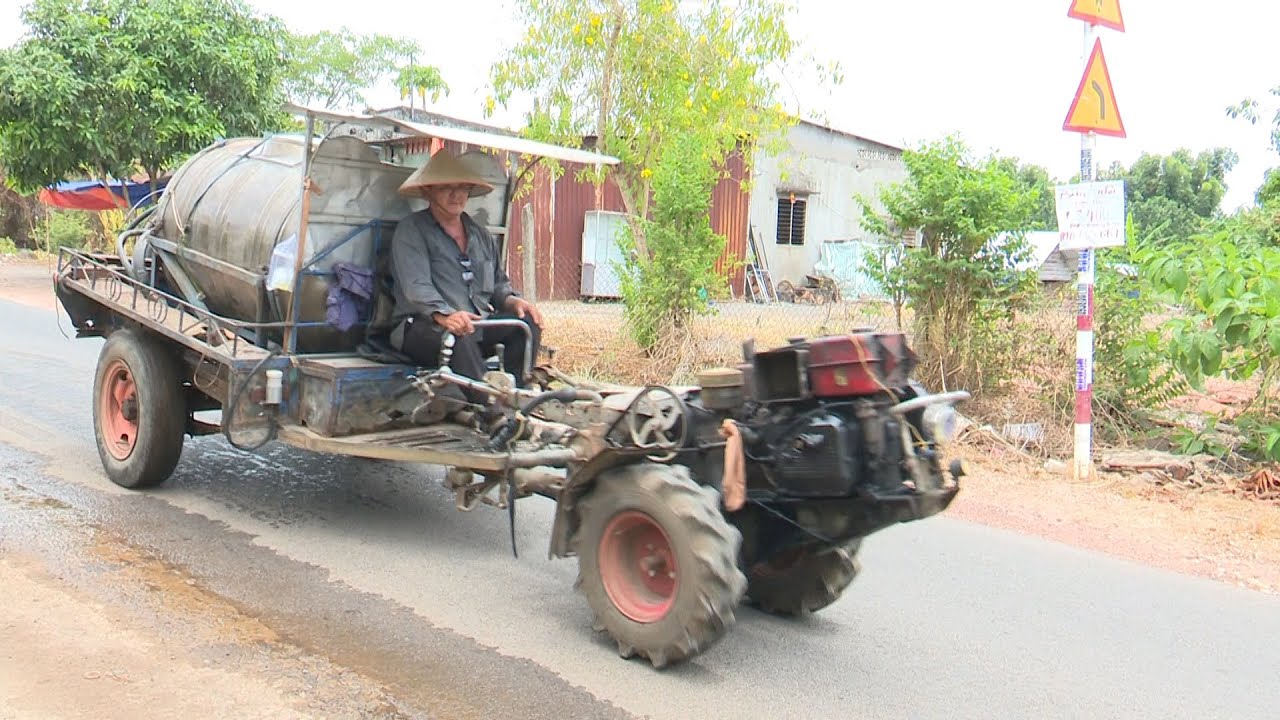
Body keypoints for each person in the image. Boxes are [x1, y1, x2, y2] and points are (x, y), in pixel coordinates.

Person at [388, 150, 543, 390]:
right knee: (459, 335)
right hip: (423, 327)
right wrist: (446, 316)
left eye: (462, 188)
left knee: (525, 323)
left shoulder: (480, 235)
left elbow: (497, 284)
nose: (456, 194)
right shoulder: (412, 230)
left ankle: (517, 397)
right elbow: (416, 287)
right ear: (428, 191)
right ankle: (491, 411)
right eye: (446, 187)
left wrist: (513, 301)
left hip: (477, 327)